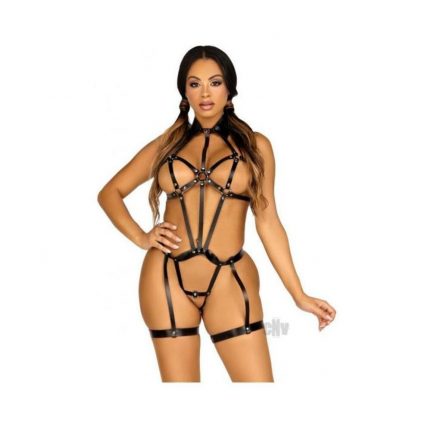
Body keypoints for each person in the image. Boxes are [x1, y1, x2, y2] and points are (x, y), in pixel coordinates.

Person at [97, 45, 336, 382]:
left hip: (228, 277)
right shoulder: (167, 145)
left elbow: (268, 221)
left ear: (229, 89)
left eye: (215, 82)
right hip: (166, 276)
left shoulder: (256, 147)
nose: (205, 93)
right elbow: (110, 193)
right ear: (184, 92)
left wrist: (298, 295)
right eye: (195, 84)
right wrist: (141, 237)